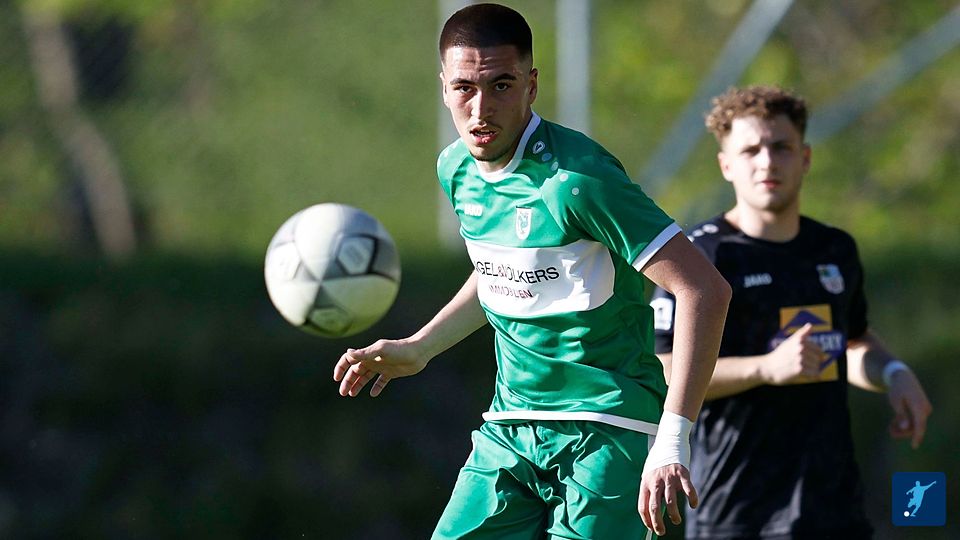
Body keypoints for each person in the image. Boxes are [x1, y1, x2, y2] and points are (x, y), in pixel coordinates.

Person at [333, 4, 731, 539]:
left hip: (607, 427)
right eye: (464, 88)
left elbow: (704, 288)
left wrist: (672, 439)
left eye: (501, 85)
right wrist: (420, 346)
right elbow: (502, 272)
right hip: (509, 426)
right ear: (444, 87)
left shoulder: (578, 181)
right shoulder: (456, 168)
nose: (480, 109)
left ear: (532, 85)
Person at [650, 85, 933, 539]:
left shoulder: (834, 249)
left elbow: (848, 343)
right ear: (726, 165)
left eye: (781, 147)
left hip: (833, 508)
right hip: (734, 509)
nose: (767, 161)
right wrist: (766, 367)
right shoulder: (701, 258)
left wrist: (894, 372)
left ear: (805, 158)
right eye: (750, 150)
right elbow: (663, 368)